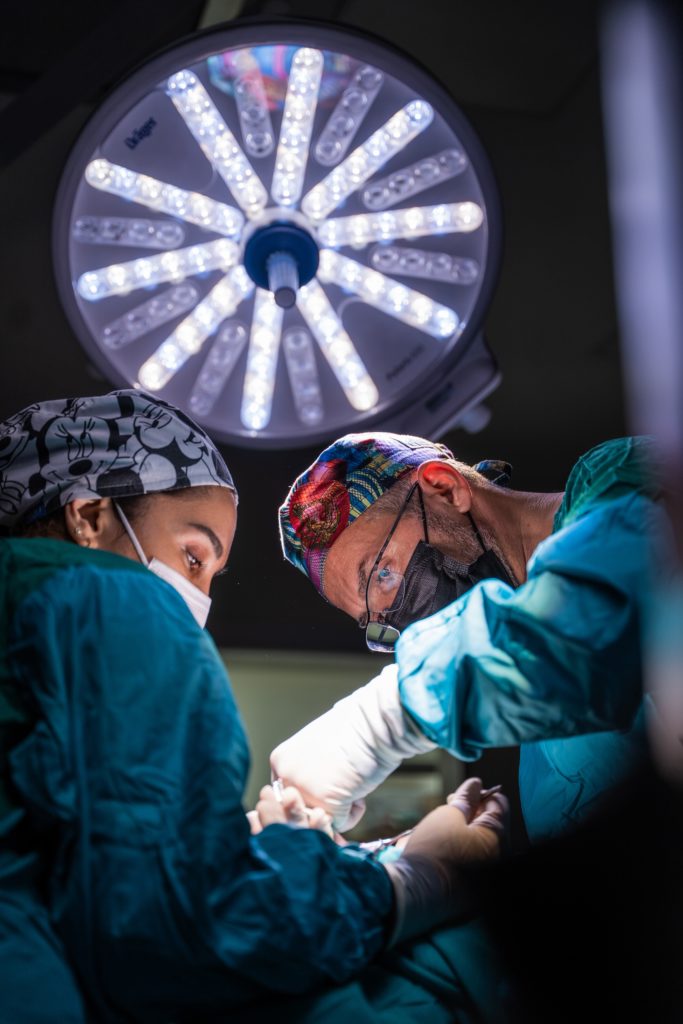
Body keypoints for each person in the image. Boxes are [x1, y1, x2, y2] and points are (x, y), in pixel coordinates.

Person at [0, 391, 506, 1024]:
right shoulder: (109, 603)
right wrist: (415, 878)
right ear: (91, 516)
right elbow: (195, 934)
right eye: (193, 556)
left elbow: (87, 881)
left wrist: (242, 853)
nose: (196, 603)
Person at [274, 432, 663, 841]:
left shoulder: (622, 480)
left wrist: (380, 719)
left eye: (382, 574)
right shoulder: (536, 728)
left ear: (444, 489)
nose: (399, 622)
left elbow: (598, 617)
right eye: (378, 623)